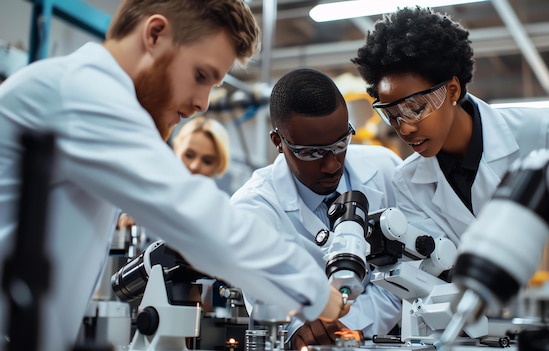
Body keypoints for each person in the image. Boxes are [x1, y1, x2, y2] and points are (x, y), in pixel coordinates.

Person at [0, 1, 345, 350]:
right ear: (155, 34)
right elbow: (200, 219)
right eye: (200, 76)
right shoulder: (80, 91)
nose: (203, 104)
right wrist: (319, 294)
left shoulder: (85, 91)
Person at [351, 6, 549, 246]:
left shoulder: (537, 131)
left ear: (452, 90)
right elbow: (437, 268)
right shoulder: (407, 181)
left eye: (416, 109)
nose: (405, 129)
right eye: (392, 115)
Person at [230, 68, 403, 349]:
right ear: (279, 142)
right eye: (311, 152)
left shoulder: (386, 170)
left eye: (340, 144)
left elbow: (405, 278)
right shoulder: (253, 208)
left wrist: (349, 325)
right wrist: (301, 329)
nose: (332, 164)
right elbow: (269, 301)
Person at [117, 116, 231, 229]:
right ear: (176, 148)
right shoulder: (145, 189)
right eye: (189, 155)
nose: (194, 166)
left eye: (207, 161)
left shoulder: (220, 214)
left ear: (218, 165)